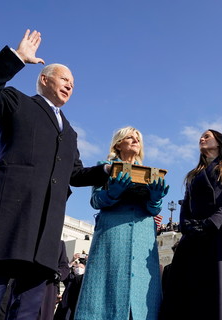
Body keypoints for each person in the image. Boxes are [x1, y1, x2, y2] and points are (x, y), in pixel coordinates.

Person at [0, 29, 110, 320]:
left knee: (29, 307)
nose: (70, 85)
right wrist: (16, 58)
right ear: (45, 79)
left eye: (73, 83)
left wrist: (106, 170)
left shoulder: (70, 132)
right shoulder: (18, 103)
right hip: (10, 219)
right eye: (64, 79)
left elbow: (76, 174)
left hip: (46, 229)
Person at [75, 126, 168, 320]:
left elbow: (154, 210)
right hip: (113, 236)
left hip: (143, 238)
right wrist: (112, 193)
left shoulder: (149, 173)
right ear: (118, 144)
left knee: (143, 299)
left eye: (138, 138)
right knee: (105, 291)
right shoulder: (105, 167)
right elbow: (95, 201)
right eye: (130, 137)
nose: (135, 141)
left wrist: (156, 198)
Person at [161, 129, 222, 320]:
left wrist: (212, 223)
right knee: (186, 289)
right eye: (201, 136)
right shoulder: (194, 174)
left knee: (219, 288)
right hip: (192, 236)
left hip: (219, 233)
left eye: (207, 136)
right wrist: (185, 225)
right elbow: (186, 201)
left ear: (219, 142)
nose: (201, 138)